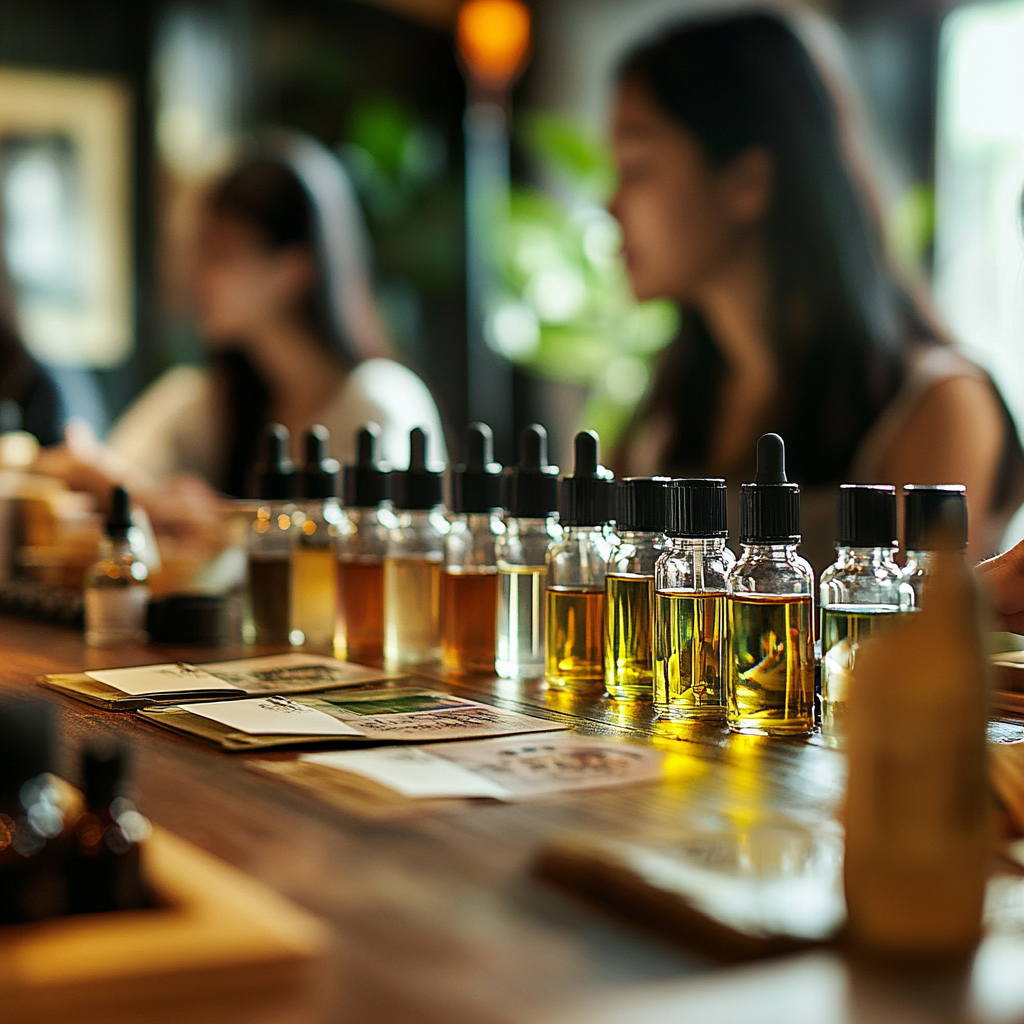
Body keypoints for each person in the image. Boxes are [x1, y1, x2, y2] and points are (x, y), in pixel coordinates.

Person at [608, 11, 1024, 569]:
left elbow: (920, 642)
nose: (611, 206)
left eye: (637, 167)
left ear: (748, 182)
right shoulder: (668, 412)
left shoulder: (934, 403)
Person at [38, 132, 445, 503]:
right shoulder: (208, 401)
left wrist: (200, 520)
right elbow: (98, 471)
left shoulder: (377, 403)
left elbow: (373, 552)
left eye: (219, 252)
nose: (194, 275)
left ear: (293, 270)